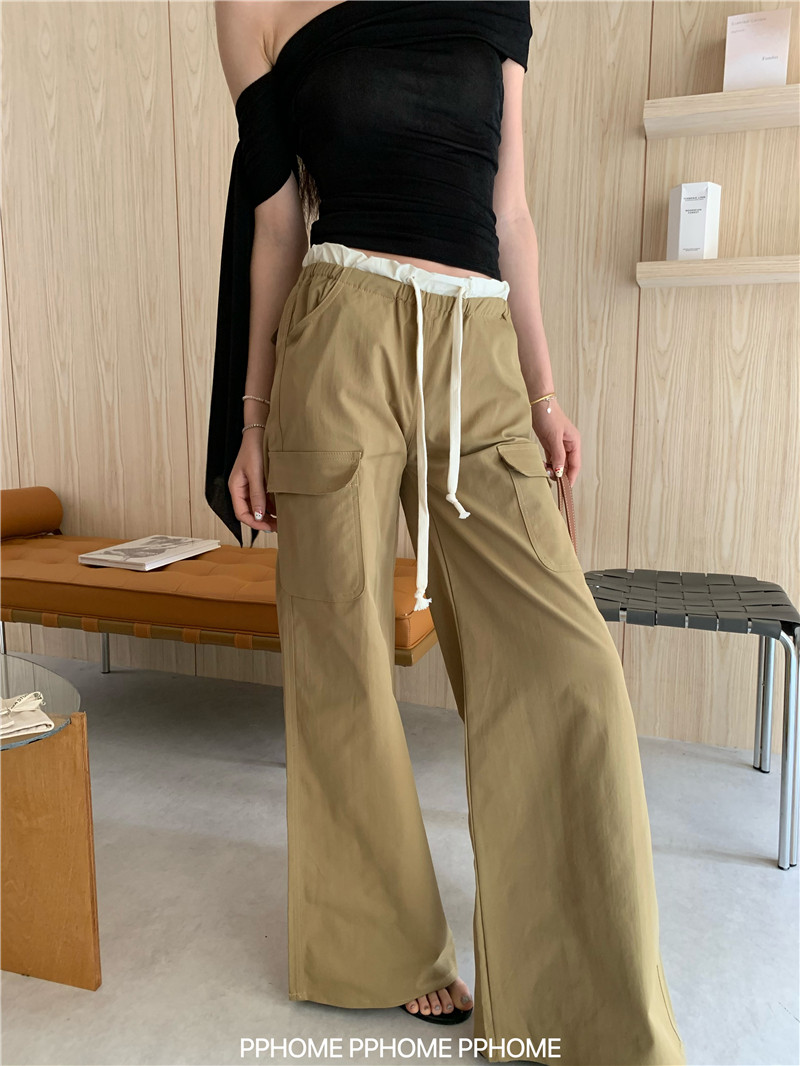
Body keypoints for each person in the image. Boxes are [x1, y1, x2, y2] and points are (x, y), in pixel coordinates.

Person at [205, 3, 687, 1064]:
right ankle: (380, 952)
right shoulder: (251, 8)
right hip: (337, 338)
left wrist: (543, 392)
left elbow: (509, 209)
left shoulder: (496, 2)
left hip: (479, 345)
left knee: (568, 668)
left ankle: (578, 1000)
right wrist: (252, 419)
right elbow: (276, 223)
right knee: (339, 660)